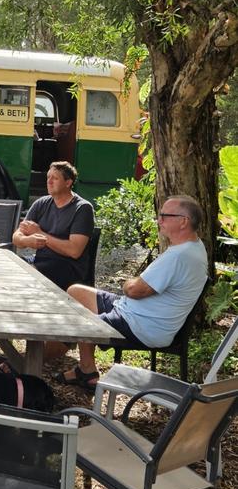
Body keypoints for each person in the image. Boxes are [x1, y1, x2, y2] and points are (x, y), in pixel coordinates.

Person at [56, 194, 208, 391]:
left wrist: (128, 283)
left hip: (141, 325)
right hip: (132, 311)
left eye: (164, 216)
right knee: (76, 292)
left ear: (183, 222)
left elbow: (134, 290)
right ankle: (86, 367)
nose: (158, 219)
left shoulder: (179, 256)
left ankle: (74, 369)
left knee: (80, 320)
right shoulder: (194, 246)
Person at [13, 161, 94, 290]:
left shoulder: (82, 208)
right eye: (48, 177)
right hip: (40, 261)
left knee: (25, 279)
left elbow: (74, 251)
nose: (49, 181)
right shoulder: (41, 203)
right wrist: (26, 240)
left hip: (68, 268)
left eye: (55, 178)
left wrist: (40, 233)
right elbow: (16, 237)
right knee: (10, 266)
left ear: (68, 183)